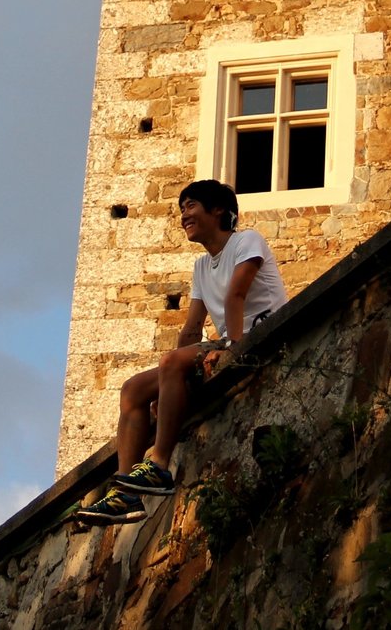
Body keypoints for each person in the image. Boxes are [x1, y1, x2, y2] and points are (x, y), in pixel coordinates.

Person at [73, 179, 287, 525]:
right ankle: (125, 494)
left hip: (258, 334)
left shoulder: (247, 241)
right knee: (133, 389)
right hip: (225, 340)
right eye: (181, 209)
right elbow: (191, 328)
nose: (183, 216)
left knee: (171, 363)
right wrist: (169, 381)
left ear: (218, 210)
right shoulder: (202, 266)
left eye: (190, 206)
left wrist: (230, 347)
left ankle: (159, 464)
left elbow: (236, 296)